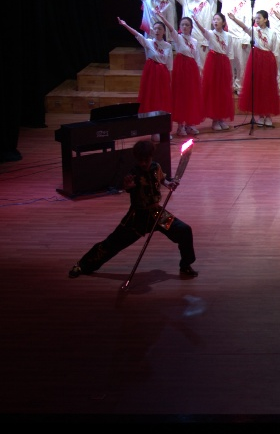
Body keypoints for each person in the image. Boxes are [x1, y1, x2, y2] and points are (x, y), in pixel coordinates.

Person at [68, 139, 197, 278]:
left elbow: (161, 179)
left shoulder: (156, 167)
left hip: (157, 213)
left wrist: (168, 184)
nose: (143, 163)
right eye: (140, 160)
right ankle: (82, 265)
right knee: (112, 244)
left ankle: (185, 265)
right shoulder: (133, 174)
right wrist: (128, 186)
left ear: (151, 156)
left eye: (146, 160)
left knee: (184, 230)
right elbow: (128, 187)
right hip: (137, 218)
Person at [230, 10, 280, 127]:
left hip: (268, 61)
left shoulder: (272, 33)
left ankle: (268, 115)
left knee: (267, 88)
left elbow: (275, 52)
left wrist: (276, 68)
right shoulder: (254, 31)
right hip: (256, 61)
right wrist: (234, 19)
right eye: (256, 18)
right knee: (258, 87)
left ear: (265, 19)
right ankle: (261, 115)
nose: (257, 20)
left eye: (259, 18)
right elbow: (244, 27)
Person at [118, 17, 172, 115]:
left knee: (162, 94)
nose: (157, 31)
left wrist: (170, 78)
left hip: (163, 73)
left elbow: (169, 64)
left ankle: (161, 116)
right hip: (151, 72)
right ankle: (149, 116)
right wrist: (125, 25)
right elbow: (137, 34)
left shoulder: (168, 46)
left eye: (159, 29)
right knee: (150, 94)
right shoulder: (148, 42)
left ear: (164, 32)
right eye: (155, 29)